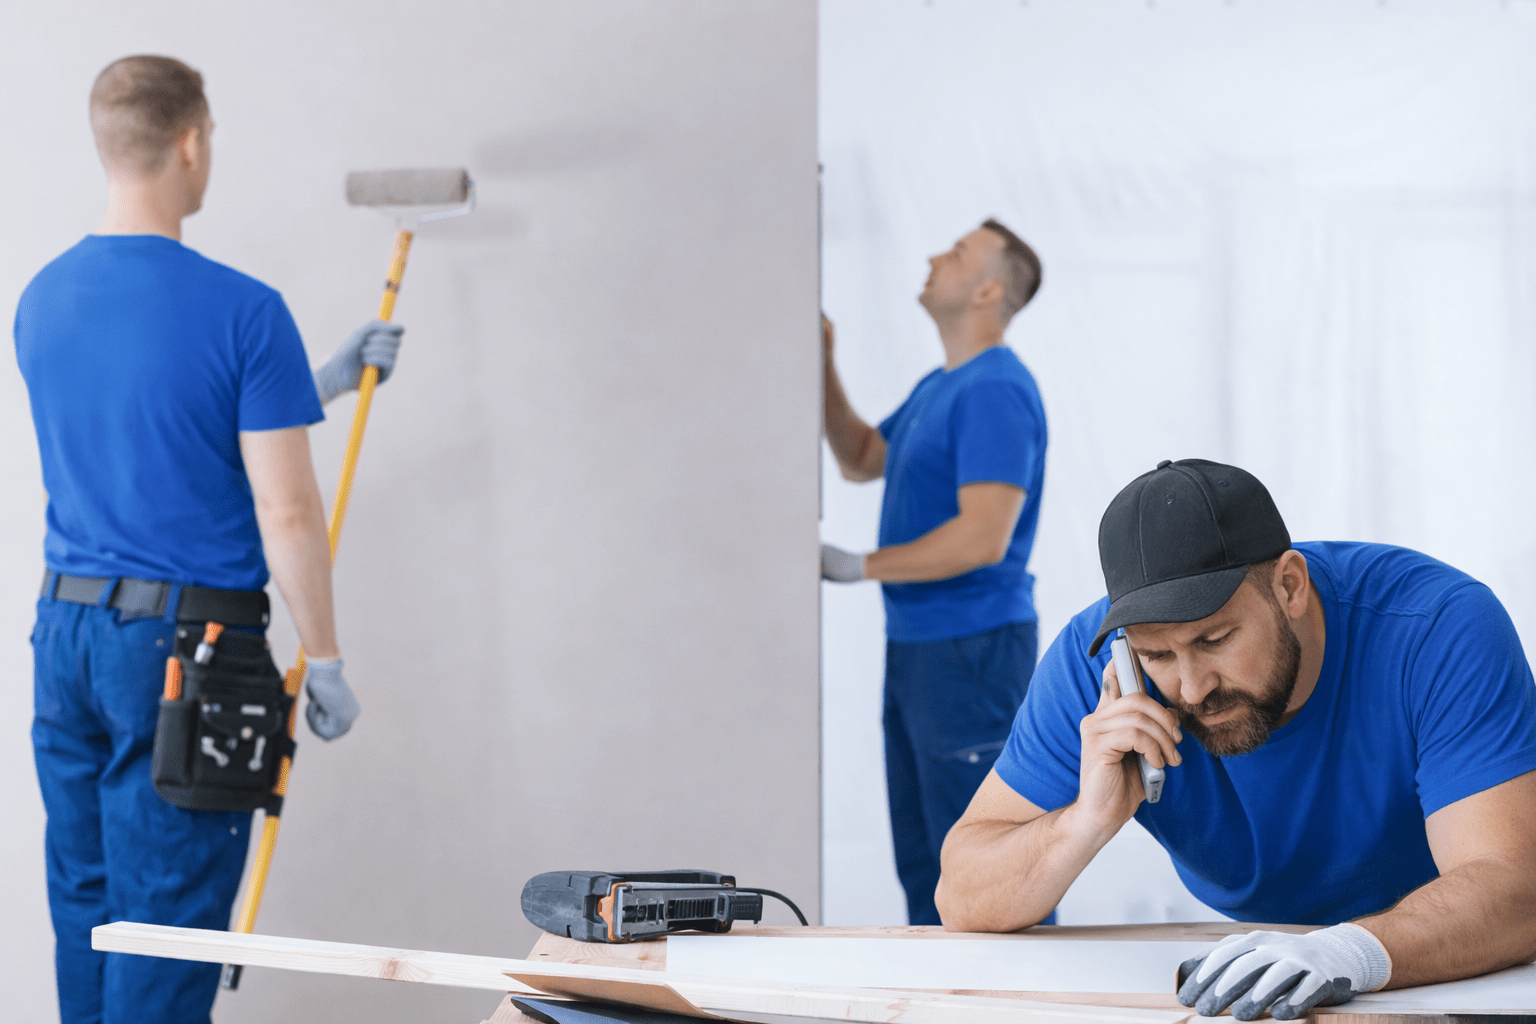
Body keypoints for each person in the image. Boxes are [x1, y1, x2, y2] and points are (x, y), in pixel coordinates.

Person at [14, 55, 405, 1024]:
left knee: (91, 905)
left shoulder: (41, 298)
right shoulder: (243, 311)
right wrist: (325, 657)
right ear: (190, 142)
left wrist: (315, 382)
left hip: (66, 638)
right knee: (167, 925)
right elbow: (287, 509)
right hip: (186, 654)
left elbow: (152, 430)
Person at [937, 458, 1536, 1020]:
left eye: (1215, 640)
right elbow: (961, 896)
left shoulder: (1437, 627)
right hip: (1260, 983)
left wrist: (1347, 951)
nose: (1192, 688)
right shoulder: (1100, 676)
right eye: (1157, 655)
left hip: (1446, 964)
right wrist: (1085, 821)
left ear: (1290, 586)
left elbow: (1514, 890)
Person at [820, 220, 1047, 925]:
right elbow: (862, 457)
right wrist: (820, 361)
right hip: (920, 650)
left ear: (987, 291)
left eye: (955, 253)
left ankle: (1014, 990)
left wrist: (859, 566)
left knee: (991, 877)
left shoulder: (995, 390)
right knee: (930, 868)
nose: (931, 257)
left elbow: (983, 537)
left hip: (970, 655)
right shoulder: (941, 387)